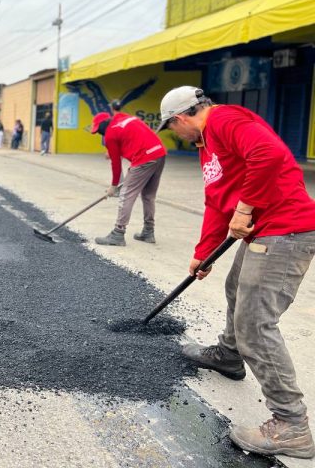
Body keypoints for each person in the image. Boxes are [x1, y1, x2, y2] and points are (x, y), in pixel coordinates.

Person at [158, 86, 315, 459]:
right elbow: (217, 200)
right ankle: (229, 357)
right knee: (234, 288)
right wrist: (203, 254)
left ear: (181, 118)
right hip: (265, 230)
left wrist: (245, 210)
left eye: (171, 128)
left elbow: (270, 153)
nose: (174, 135)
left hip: (286, 230)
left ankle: (291, 425)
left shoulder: (225, 119)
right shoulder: (207, 145)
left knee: (254, 323)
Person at [89, 109, 166, 246]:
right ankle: (148, 232)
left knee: (125, 194)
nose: (99, 133)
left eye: (98, 130)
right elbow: (128, 138)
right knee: (148, 196)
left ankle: (118, 234)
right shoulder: (123, 118)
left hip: (144, 158)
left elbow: (116, 165)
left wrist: (113, 186)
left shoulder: (110, 135)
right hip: (159, 152)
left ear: (102, 125)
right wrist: (113, 151)